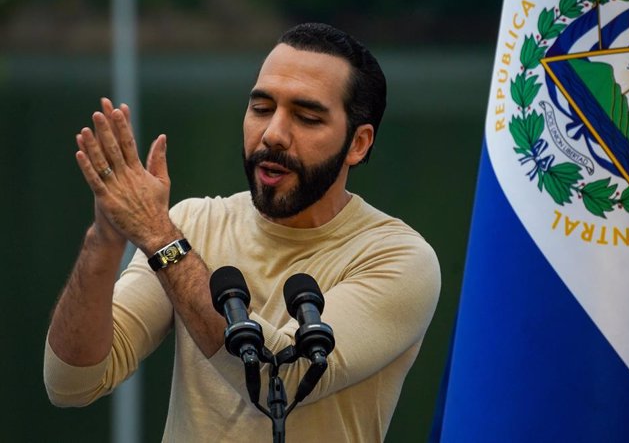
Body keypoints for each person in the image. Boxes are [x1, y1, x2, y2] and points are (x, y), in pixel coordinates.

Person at [44, 22, 441, 442]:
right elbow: (70, 384)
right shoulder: (194, 223)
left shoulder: (397, 257)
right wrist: (104, 240)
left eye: (306, 117)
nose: (273, 135)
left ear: (358, 144)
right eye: (262, 108)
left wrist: (159, 237)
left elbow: (281, 382)